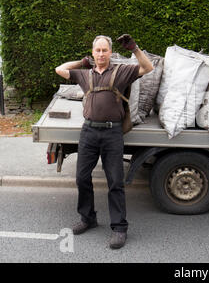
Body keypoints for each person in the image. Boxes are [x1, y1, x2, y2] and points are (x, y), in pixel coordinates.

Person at [55, 34, 154, 249]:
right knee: (82, 178)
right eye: (97, 50)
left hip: (112, 134)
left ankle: (119, 228)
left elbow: (148, 68)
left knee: (115, 182)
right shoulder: (84, 74)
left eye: (104, 50)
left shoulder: (121, 71)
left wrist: (135, 49)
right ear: (93, 53)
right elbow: (60, 69)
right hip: (89, 132)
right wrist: (80, 63)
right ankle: (88, 218)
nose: (101, 54)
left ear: (110, 53)